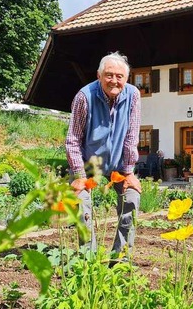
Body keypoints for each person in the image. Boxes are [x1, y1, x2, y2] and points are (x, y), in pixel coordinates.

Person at [65, 51, 142, 256]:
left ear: (126, 79)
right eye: (109, 75)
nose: (114, 81)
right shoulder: (84, 97)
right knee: (82, 202)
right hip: (87, 164)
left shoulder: (133, 95)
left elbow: (131, 136)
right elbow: (73, 140)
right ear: (99, 76)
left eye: (119, 77)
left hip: (119, 165)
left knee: (132, 197)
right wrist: (80, 176)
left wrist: (128, 171)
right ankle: (88, 257)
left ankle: (120, 257)